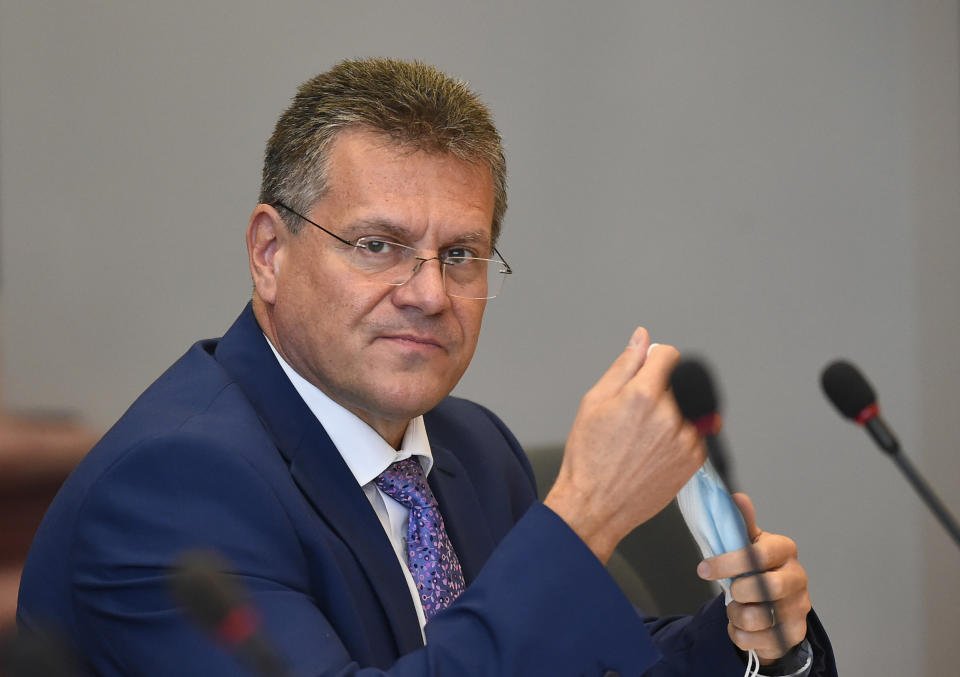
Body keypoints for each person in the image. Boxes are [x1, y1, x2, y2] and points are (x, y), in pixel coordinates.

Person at [17, 58, 836, 676]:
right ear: (269, 253)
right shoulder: (173, 485)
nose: (429, 293)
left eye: (462, 254)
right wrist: (586, 512)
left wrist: (746, 638)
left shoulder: (469, 444)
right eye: (378, 246)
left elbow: (562, 654)